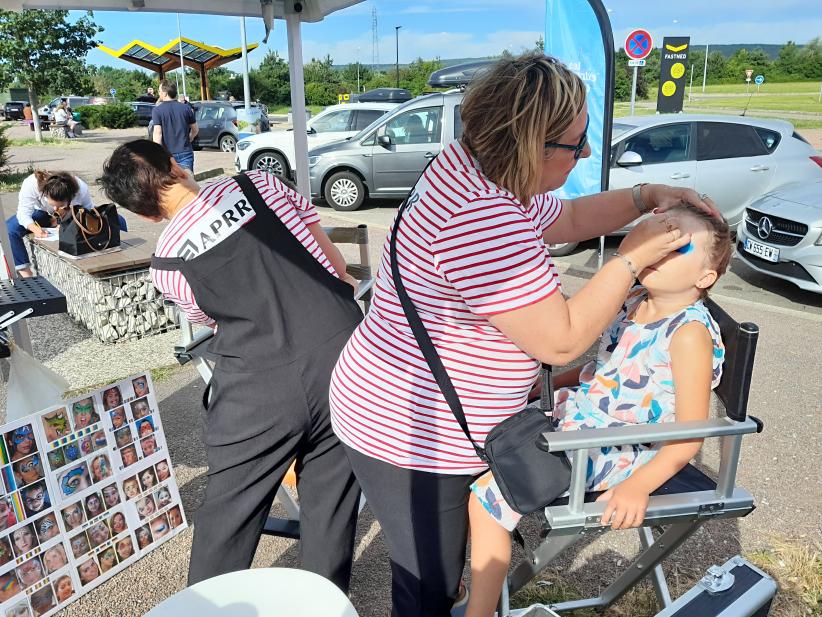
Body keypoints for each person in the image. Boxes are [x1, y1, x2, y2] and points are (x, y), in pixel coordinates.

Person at [327, 52, 720, 616]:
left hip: (403, 404)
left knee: (440, 565)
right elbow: (559, 341)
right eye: (575, 144)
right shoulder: (480, 216)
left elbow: (568, 219)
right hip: (414, 432)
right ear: (531, 144)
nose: (585, 153)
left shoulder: (477, 164)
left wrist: (644, 196)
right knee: (426, 583)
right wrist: (629, 261)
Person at [99, 139, 364, 590]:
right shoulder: (262, 183)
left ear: (145, 214)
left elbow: (213, 320)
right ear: (177, 169)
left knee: (231, 512)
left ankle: (209, 603)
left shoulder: (167, 265)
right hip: (342, 354)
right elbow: (336, 268)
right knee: (333, 498)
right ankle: (326, 598)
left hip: (260, 385)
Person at [465, 205, 733, 616]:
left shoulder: (689, 334)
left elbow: (688, 437)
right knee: (477, 436)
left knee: (485, 501)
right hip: (583, 415)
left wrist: (638, 485)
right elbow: (602, 367)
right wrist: (556, 381)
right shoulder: (635, 299)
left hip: (621, 444)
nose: (658, 253)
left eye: (676, 249)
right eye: (659, 240)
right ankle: (473, 584)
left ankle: (477, 611)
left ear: (705, 278)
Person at [150, 79, 198, 172]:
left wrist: (157, 154)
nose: (159, 94)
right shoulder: (186, 108)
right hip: (185, 152)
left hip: (167, 154)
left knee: (170, 184)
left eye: (159, 91)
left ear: (164, 93)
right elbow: (195, 129)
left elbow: (157, 135)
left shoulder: (157, 111)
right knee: (188, 183)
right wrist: (190, 138)